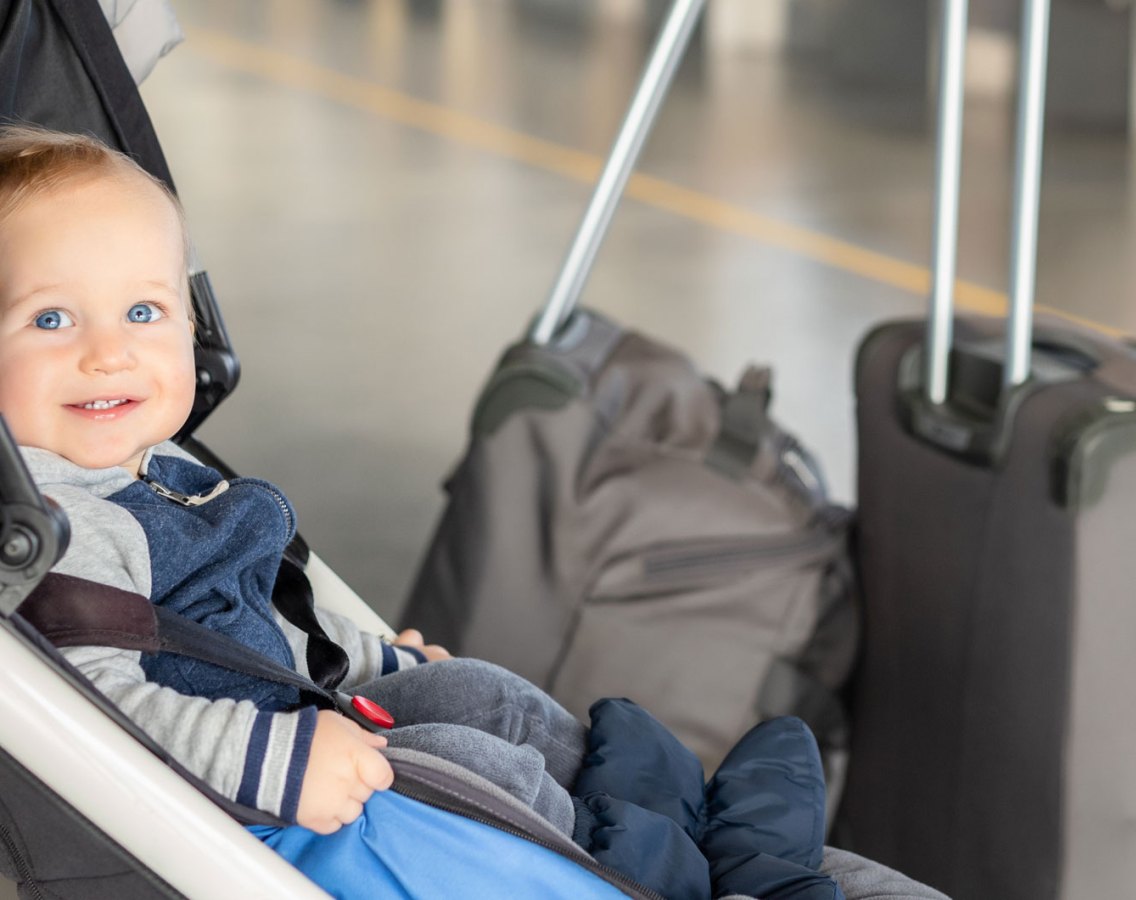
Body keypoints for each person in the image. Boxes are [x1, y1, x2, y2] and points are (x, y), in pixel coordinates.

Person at [0, 124, 841, 899]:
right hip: (251, 797)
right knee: (465, 759)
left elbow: (256, 626)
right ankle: (671, 870)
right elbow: (99, 717)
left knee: (482, 697)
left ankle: (667, 811)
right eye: (50, 318)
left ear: (194, 325)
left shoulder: (149, 465)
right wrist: (276, 761)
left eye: (143, 312)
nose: (109, 352)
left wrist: (371, 664)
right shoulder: (53, 528)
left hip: (291, 713)